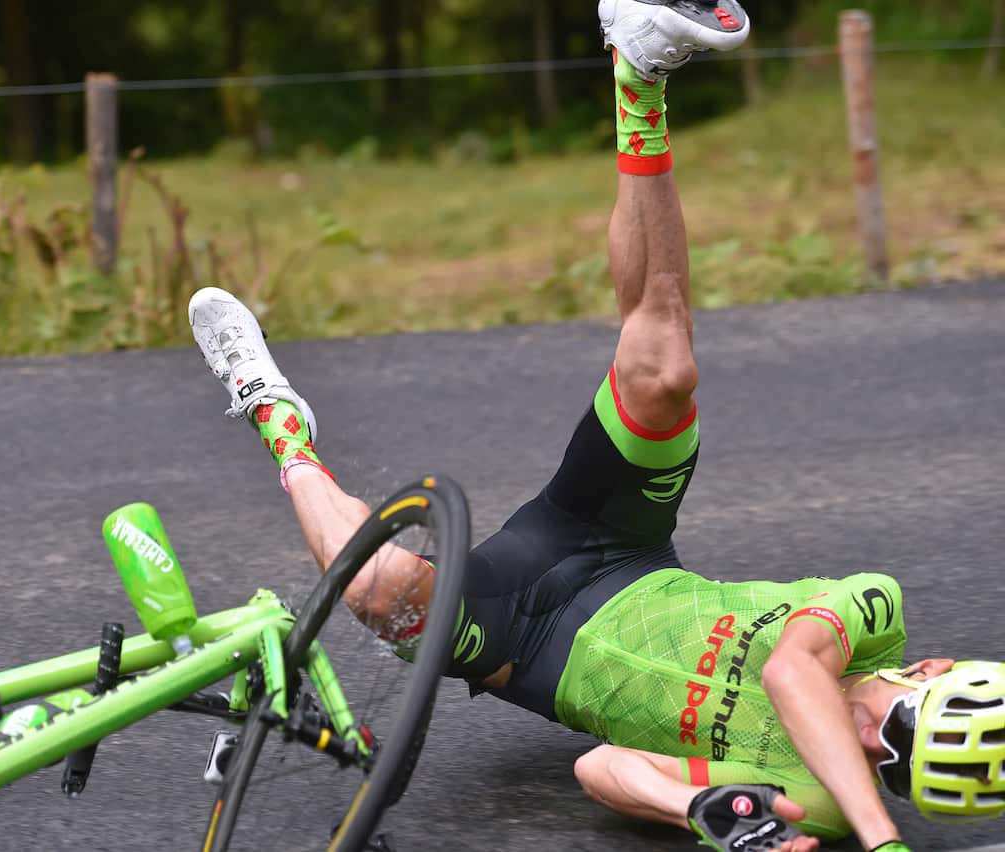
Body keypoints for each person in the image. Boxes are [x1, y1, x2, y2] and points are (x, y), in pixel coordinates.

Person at [184, 2, 1005, 850]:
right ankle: (639, 73)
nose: (874, 750)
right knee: (664, 371)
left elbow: (603, 769)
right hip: (619, 549)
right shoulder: (873, 614)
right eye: (900, 730)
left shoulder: (824, 803)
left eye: (899, 773)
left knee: (376, 588)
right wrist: (885, 841)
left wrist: (705, 813)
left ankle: (273, 414)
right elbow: (791, 669)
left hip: (528, 638)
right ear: (926, 672)